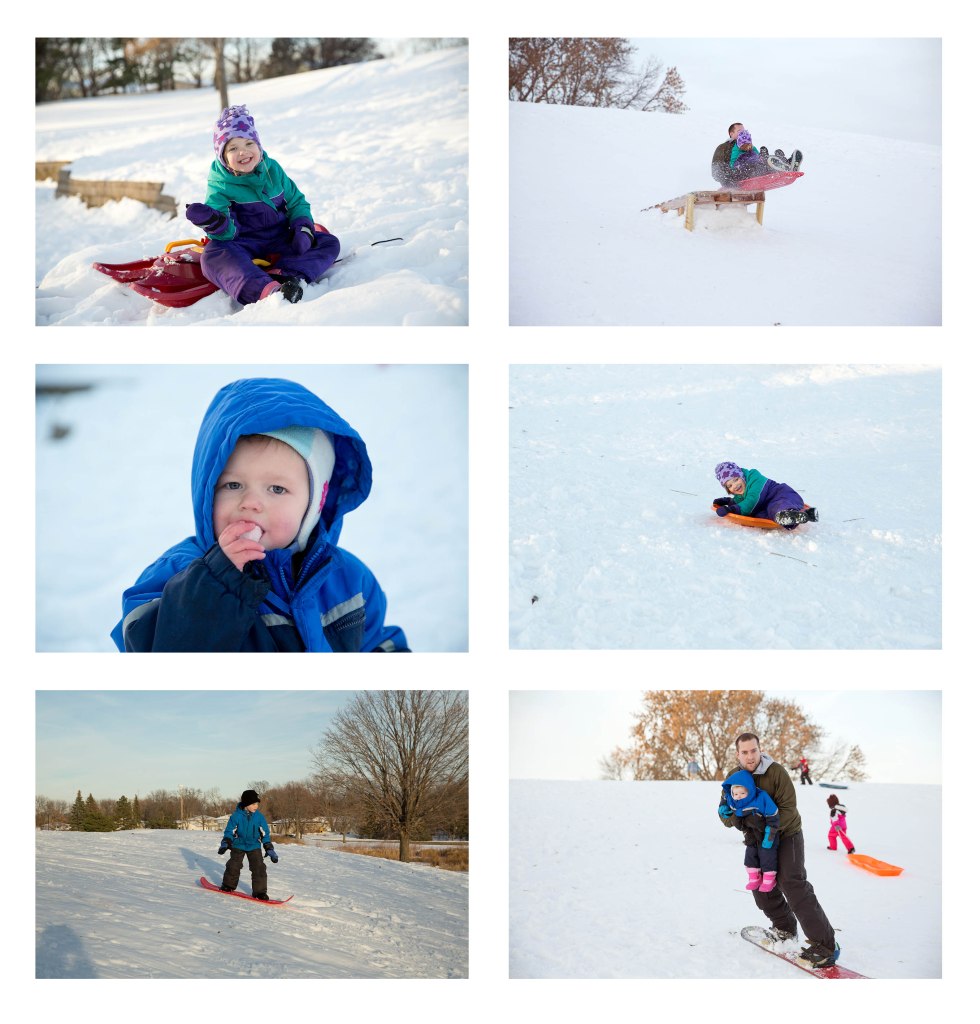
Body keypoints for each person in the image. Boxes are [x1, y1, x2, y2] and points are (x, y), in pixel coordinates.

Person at [111, 377, 410, 653]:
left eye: (277, 489)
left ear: (314, 504)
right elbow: (152, 655)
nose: (251, 502)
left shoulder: (348, 578)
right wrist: (216, 583)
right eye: (233, 484)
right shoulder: (177, 573)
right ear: (206, 491)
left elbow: (379, 645)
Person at [185, 105, 341, 305]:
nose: (243, 152)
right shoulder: (220, 184)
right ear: (223, 157)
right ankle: (266, 290)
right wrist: (214, 222)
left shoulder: (273, 170)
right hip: (243, 242)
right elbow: (227, 235)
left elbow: (296, 202)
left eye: (249, 143)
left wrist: (303, 228)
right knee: (213, 256)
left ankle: (286, 275)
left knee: (328, 242)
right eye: (233, 148)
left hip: (280, 236)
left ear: (258, 145)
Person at [717, 733, 840, 967]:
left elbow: (789, 809)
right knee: (761, 885)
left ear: (759, 749)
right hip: (757, 840)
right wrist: (730, 816)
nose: (750, 756)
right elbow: (727, 811)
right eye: (745, 752)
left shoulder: (776, 772)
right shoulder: (734, 777)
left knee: (791, 883)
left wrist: (761, 823)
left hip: (786, 834)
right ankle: (784, 928)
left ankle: (825, 944)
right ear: (738, 754)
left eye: (754, 750)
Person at [720, 769, 780, 892]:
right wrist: (723, 807)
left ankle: (769, 879)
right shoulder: (734, 801)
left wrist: (770, 835)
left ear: (749, 790)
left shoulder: (761, 798)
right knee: (750, 855)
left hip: (766, 833)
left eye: (742, 793)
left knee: (766, 854)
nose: (739, 796)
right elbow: (726, 798)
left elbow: (773, 814)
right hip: (751, 834)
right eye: (736, 794)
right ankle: (754, 878)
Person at [713, 461, 819, 529]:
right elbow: (741, 500)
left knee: (778, 505)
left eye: (736, 479)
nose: (735, 485)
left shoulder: (755, 478)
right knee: (766, 513)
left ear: (742, 476)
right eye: (730, 485)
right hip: (768, 505)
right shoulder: (741, 492)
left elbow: (752, 500)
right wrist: (729, 502)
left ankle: (788, 514)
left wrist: (732, 509)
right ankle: (803, 516)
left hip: (781, 494)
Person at [219, 789, 277, 900]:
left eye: (257, 804)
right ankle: (228, 885)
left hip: (254, 845)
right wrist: (226, 842)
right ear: (246, 804)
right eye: (253, 804)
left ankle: (259, 892)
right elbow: (229, 831)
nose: (256, 806)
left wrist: (268, 847)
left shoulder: (259, 817)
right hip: (238, 844)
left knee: (259, 867)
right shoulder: (236, 816)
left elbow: (265, 833)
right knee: (233, 865)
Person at [711, 122, 744, 187]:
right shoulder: (723, 147)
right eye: (739, 131)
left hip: (752, 174)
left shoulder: (748, 145)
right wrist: (729, 179)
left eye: (744, 131)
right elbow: (716, 170)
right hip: (733, 179)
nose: (743, 133)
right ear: (731, 134)